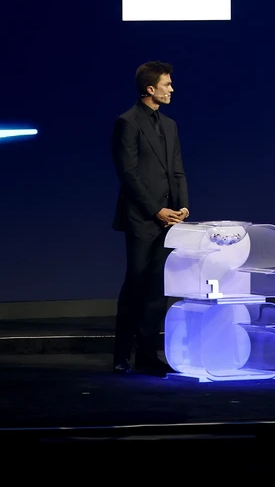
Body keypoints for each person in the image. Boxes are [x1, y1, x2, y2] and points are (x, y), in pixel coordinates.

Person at [111, 60, 190, 374]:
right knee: (136, 285)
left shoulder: (170, 125)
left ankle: (147, 355)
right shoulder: (127, 122)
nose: (172, 89)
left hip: (170, 222)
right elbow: (128, 173)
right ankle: (121, 356)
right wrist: (155, 209)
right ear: (150, 88)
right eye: (166, 84)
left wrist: (183, 207)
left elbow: (177, 170)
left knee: (158, 290)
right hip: (142, 219)